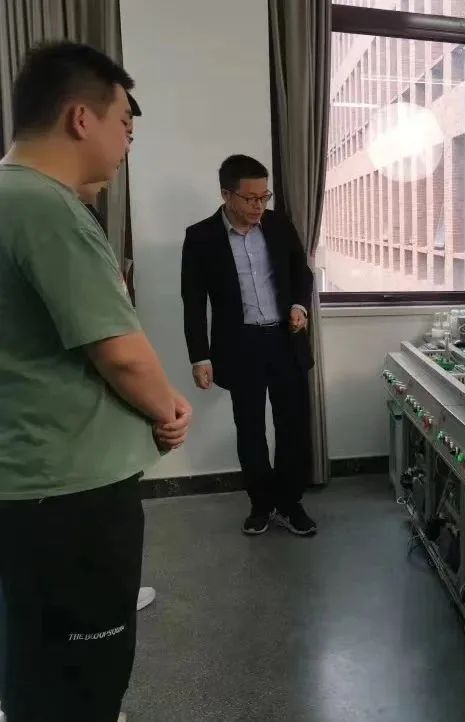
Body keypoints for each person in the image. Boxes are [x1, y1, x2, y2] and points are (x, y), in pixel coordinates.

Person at [0, 41, 190, 722]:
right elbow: (121, 353)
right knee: (84, 671)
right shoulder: (47, 208)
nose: (126, 144)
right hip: (69, 489)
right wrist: (169, 409)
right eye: (123, 125)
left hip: (26, 480)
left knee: (33, 655)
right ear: (82, 119)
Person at [181, 154, 317, 537]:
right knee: (250, 429)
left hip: (284, 340)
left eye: (264, 196)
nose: (259, 206)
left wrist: (298, 306)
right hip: (240, 346)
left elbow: (301, 272)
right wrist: (200, 356)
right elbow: (193, 301)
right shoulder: (201, 237)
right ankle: (261, 505)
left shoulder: (278, 225)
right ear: (226, 195)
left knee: (292, 426)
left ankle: (290, 504)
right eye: (251, 198)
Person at [76, 178, 156, 614]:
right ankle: (107, 596)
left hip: (89, 410)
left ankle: (112, 589)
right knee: (99, 511)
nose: (112, 172)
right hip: (79, 413)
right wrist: (166, 409)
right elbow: (120, 355)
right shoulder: (57, 217)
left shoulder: (75, 213)